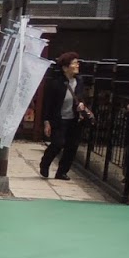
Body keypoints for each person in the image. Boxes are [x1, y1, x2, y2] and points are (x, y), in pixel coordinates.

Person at [39, 51, 92, 180]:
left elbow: (81, 97)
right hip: (59, 119)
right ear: (65, 67)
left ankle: (62, 172)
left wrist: (81, 105)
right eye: (74, 63)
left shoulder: (79, 81)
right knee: (58, 143)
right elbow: (48, 104)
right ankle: (45, 164)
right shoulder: (55, 83)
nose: (77, 65)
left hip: (75, 119)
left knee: (72, 146)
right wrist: (46, 122)